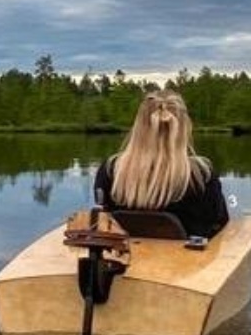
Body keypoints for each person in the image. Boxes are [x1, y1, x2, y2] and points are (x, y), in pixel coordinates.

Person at [93, 87, 230, 238]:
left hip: (123, 257)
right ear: (184, 128)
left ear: (138, 128)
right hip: (188, 260)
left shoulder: (111, 170)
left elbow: (104, 216)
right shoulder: (201, 174)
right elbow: (219, 224)